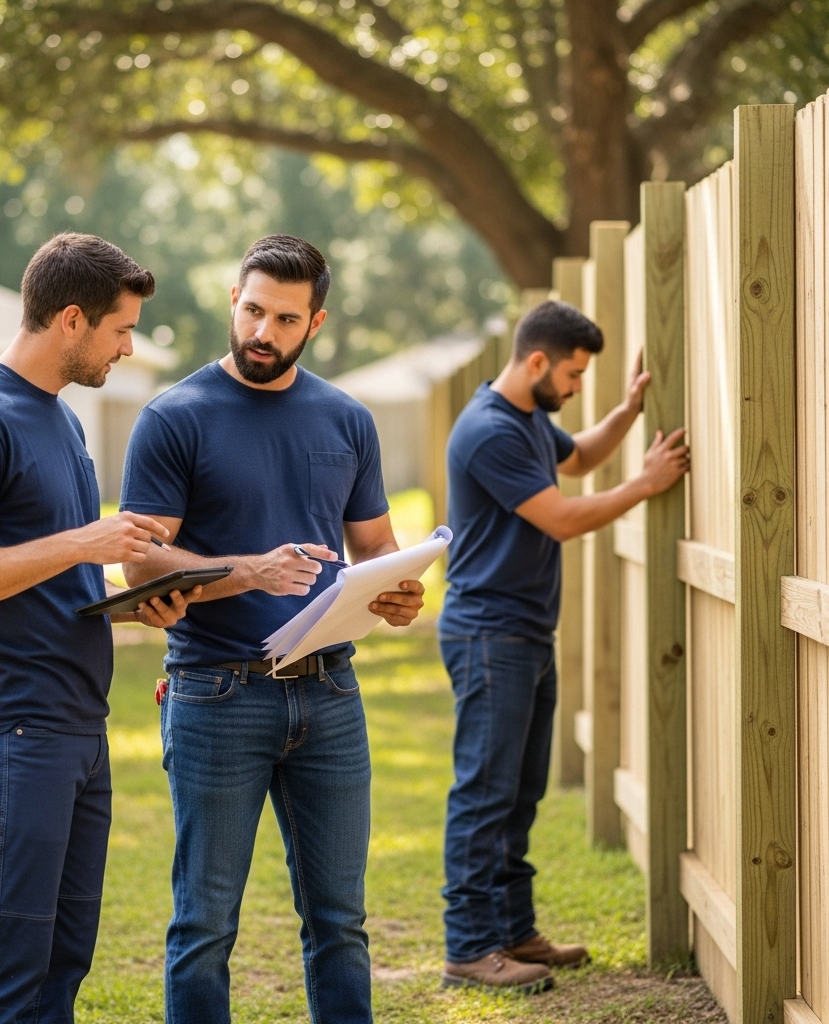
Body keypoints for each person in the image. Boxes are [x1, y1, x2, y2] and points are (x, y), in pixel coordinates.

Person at [119, 234, 425, 1024]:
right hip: (216, 694)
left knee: (340, 924)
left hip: (330, 695)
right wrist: (250, 571)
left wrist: (399, 592)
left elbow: (377, 549)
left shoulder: (347, 419)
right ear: (232, 299)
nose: (263, 332)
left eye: (285, 319)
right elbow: (140, 560)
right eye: (253, 310)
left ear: (314, 323)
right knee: (204, 926)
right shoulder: (174, 416)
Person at [0, 233, 198, 1024]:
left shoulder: (61, 422)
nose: (128, 346)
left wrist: (135, 600)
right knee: (6, 955)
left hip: (76, 726)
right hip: (8, 729)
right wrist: (85, 542)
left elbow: (41, 568)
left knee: (62, 956)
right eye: (119, 329)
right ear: (72, 319)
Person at [438, 301, 689, 993]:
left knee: (521, 791)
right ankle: (469, 947)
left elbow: (579, 458)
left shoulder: (527, 421)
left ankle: (514, 931)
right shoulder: (490, 430)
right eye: (575, 375)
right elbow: (562, 517)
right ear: (538, 361)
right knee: (486, 793)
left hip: (520, 631)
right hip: (490, 633)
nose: (579, 387)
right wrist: (645, 484)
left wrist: (631, 412)